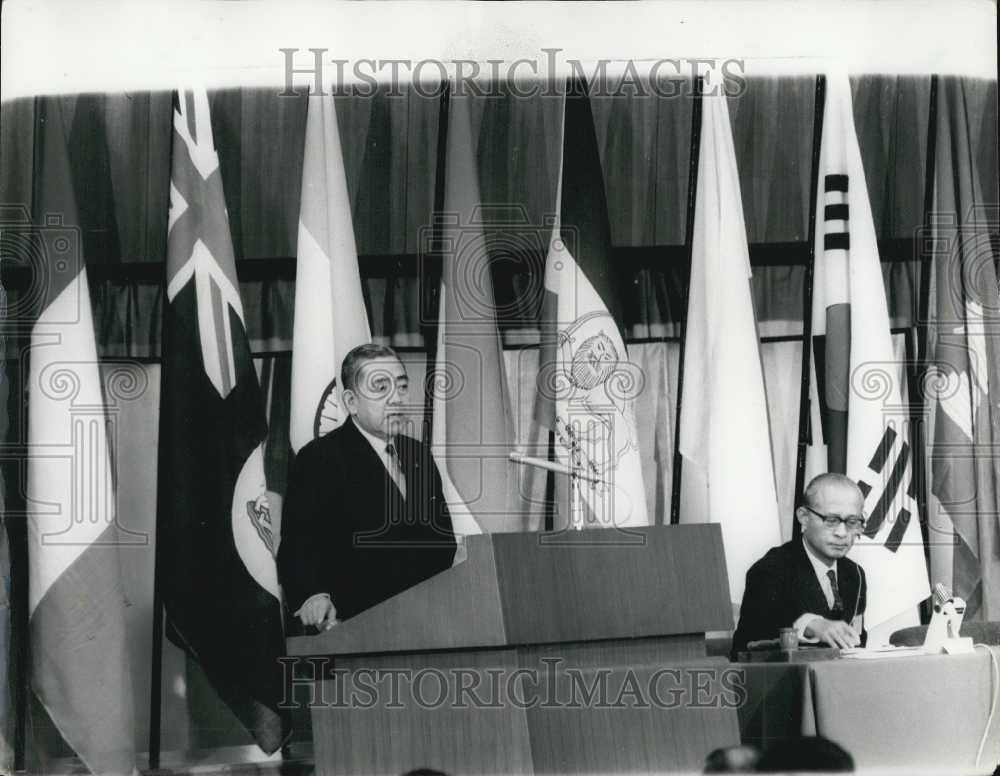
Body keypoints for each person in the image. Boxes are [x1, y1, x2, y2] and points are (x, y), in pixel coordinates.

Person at [277, 344, 456, 630]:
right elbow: (300, 544)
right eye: (380, 388)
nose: (396, 399)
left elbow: (443, 542)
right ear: (351, 402)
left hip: (428, 625)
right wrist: (314, 595)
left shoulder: (418, 454)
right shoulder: (321, 457)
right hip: (357, 628)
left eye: (401, 386)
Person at [730, 473, 867, 659]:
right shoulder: (770, 569)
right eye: (831, 520)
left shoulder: (854, 573)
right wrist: (810, 625)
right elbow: (752, 642)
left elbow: (857, 639)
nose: (842, 533)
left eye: (852, 522)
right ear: (803, 517)